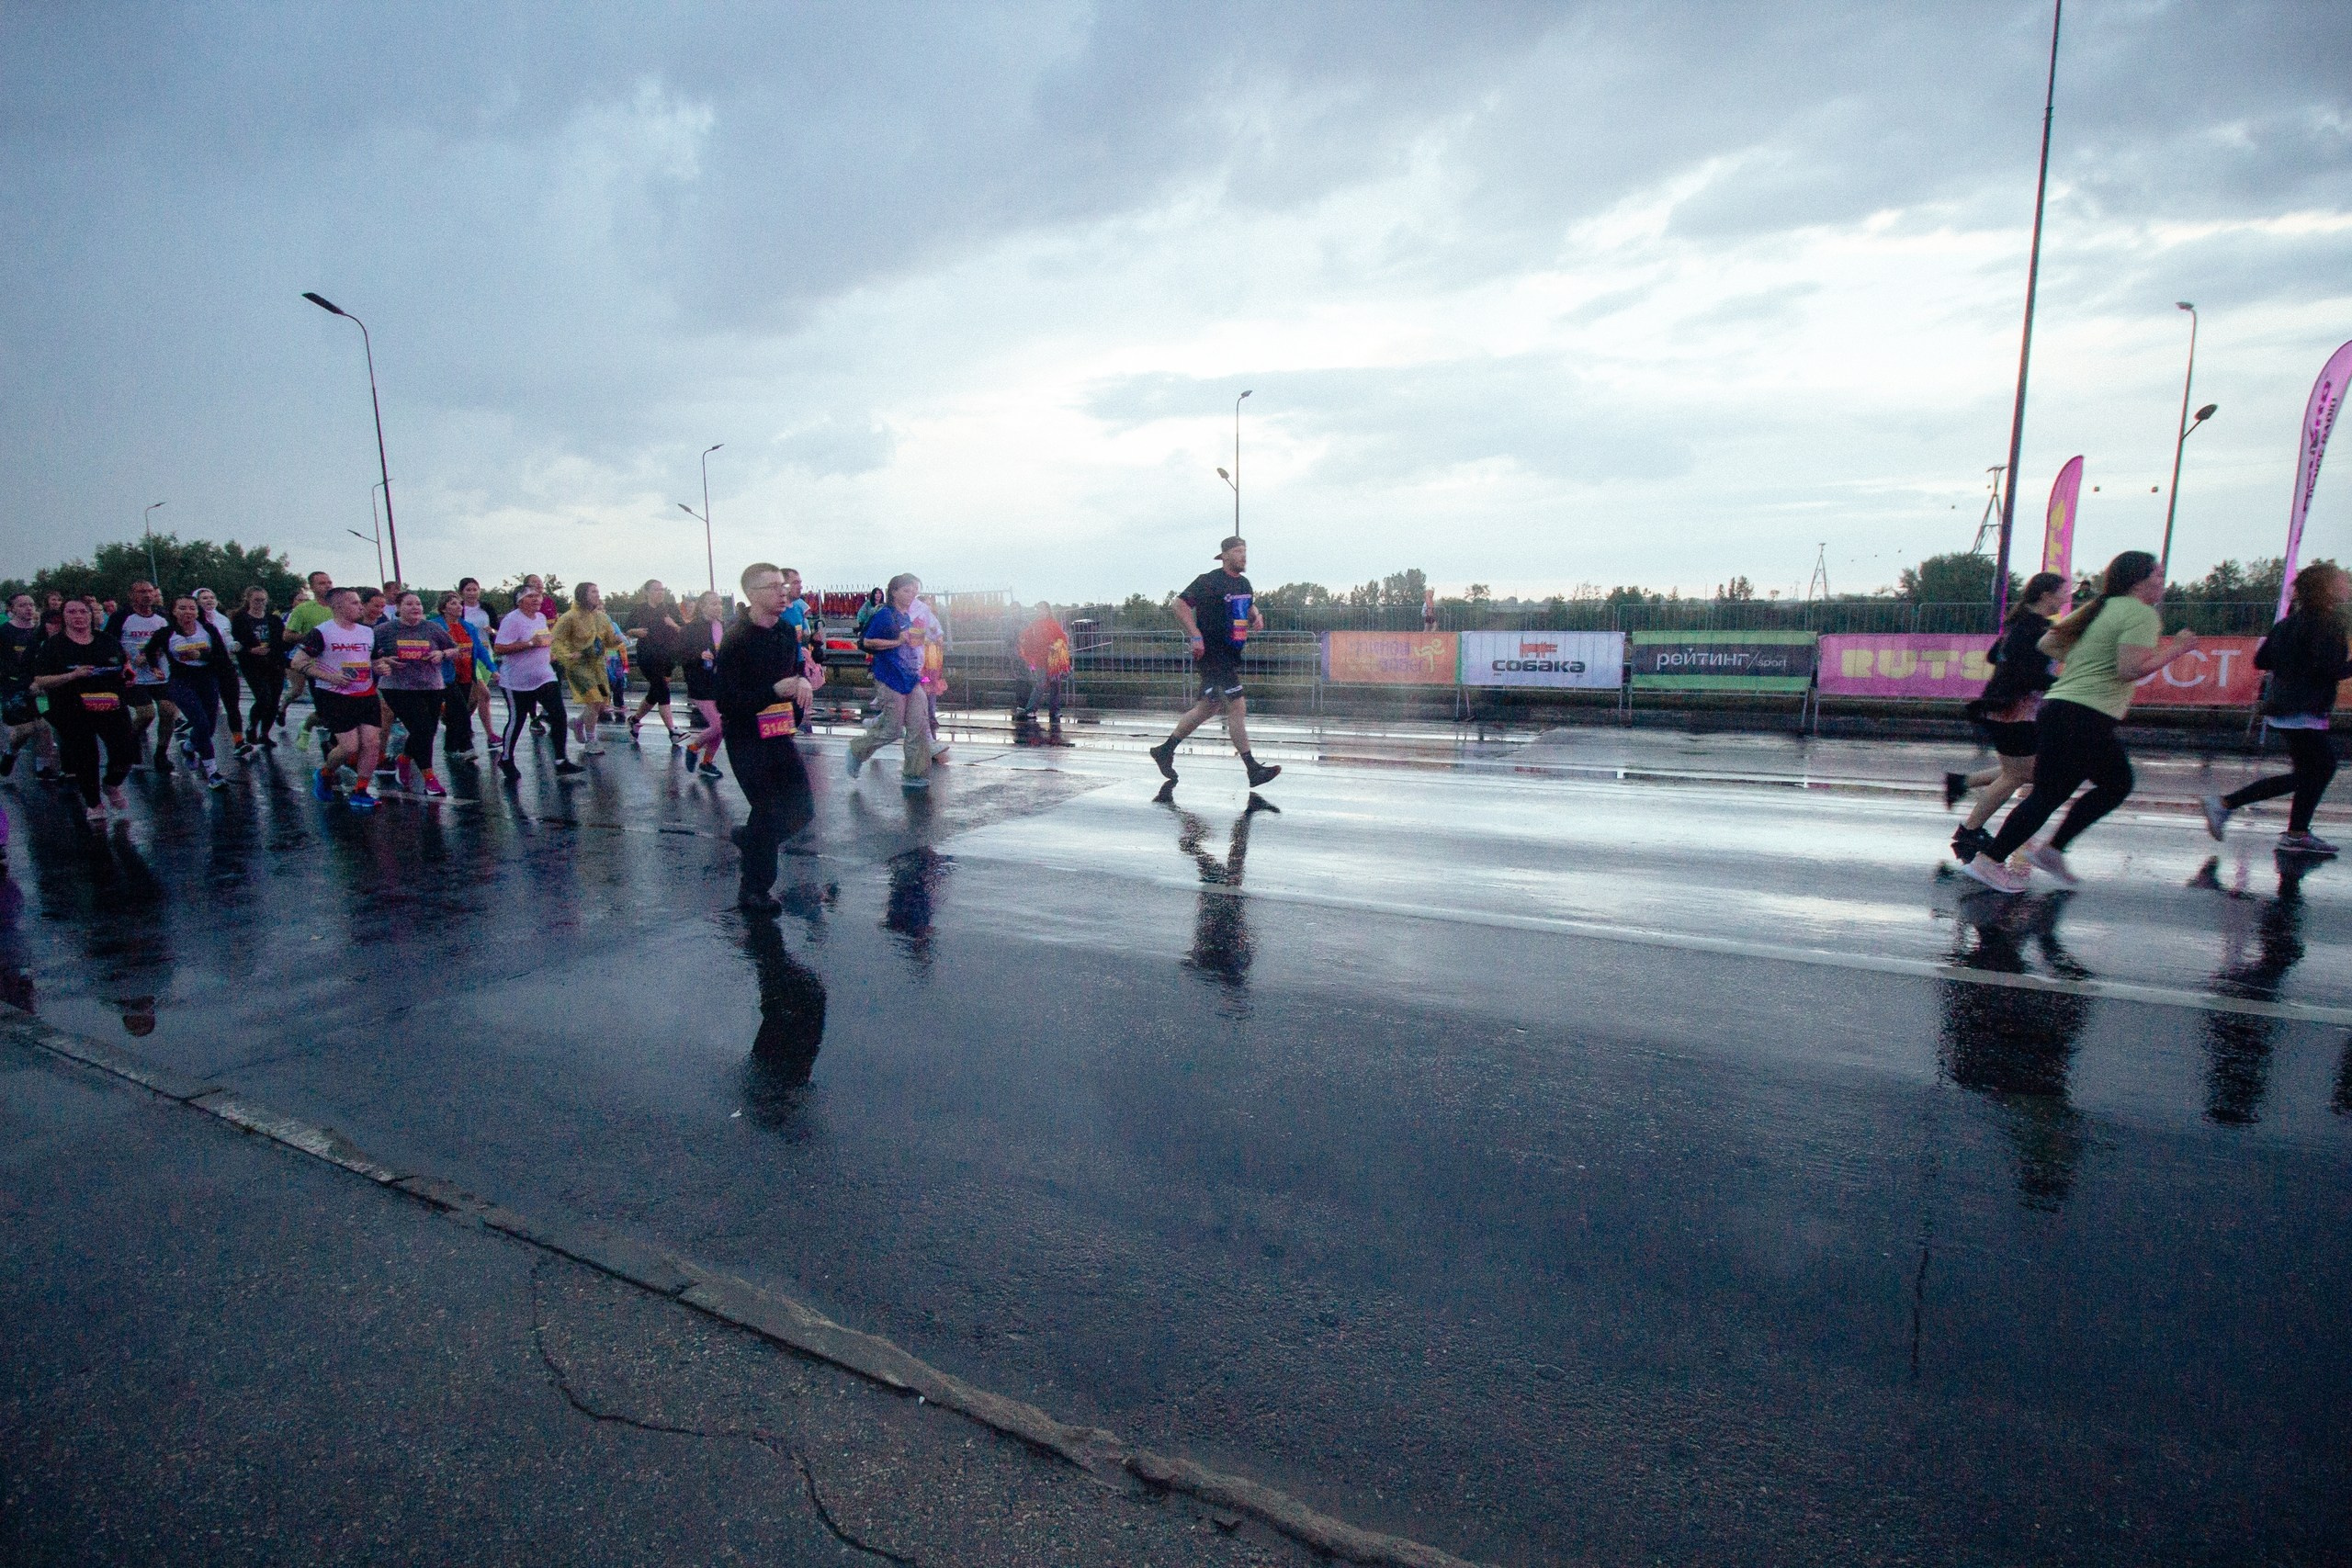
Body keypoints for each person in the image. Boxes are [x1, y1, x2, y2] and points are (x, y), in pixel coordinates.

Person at [1965, 550, 2200, 893]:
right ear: (2138, 581)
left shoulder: (2099, 607)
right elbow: (2129, 669)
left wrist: (2086, 659)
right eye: (2158, 576)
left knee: (2054, 792)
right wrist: (2177, 649)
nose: (2163, 583)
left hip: (2061, 708)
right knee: (2113, 785)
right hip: (2084, 714)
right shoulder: (2141, 614)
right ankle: (2010, 857)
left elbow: (2047, 643)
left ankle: (2033, 853)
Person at [2203, 561, 2352, 856]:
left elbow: (2262, 660)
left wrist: (2293, 663)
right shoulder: (2328, 624)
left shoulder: (2288, 623)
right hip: (2305, 709)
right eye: (2342, 581)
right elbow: (2330, 670)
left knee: (2310, 771)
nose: (2347, 585)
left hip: (2283, 707)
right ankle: (2225, 804)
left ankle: (2296, 834)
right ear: (2327, 589)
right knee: (2318, 771)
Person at [718, 562, 818, 913]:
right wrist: (773, 690)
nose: (783, 593)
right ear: (751, 594)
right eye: (774, 587)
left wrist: (803, 683)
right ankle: (754, 890)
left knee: (802, 810)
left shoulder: (786, 631)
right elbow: (727, 701)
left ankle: (750, 838)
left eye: (784, 586)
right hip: (746, 738)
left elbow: (794, 673)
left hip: (778, 732)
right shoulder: (736, 639)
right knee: (768, 810)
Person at [1948, 571, 2069, 863]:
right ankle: (1969, 830)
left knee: (2019, 772)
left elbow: (1994, 656)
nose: (2068, 597)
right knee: (2020, 774)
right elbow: (2023, 671)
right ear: (2046, 595)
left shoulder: (2024, 624)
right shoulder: (2032, 627)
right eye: (2064, 592)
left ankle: (1966, 806)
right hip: (2013, 712)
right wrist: (2061, 685)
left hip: (2013, 710)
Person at [1148, 536, 1281, 790]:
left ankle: (1165, 750)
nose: (1244, 556)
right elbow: (1179, 604)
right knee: (1237, 707)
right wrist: (1195, 634)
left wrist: (1256, 615)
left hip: (1230, 655)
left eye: (1245, 551)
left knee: (1207, 708)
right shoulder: (1209, 581)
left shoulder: (1244, 583)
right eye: (1239, 552)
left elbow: (1248, 604)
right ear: (1225, 555)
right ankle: (1253, 769)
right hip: (1213, 654)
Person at [29, 598, 135, 824]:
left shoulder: (107, 640)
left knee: (126, 751)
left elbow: (123, 663)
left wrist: (127, 673)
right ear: (63, 616)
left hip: (110, 703)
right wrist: (72, 675)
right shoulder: (53, 646)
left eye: (83, 611)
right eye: (72, 612)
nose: (78, 616)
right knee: (85, 756)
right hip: (71, 707)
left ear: (91, 615)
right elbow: (41, 680)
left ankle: (112, 784)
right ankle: (93, 803)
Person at [289, 587, 387, 811]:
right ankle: (325, 773)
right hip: (335, 695)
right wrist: (330, 677)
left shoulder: (367, 632)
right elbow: (297, 662)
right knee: (350, 747)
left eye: (360, 602)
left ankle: (360, 791)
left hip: (366, 693)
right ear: (338, 606)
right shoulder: (322, 632)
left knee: (372, 743)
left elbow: (372, 661)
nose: (360, 607)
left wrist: (380, 667)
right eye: (354, 603)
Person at [138, 594, 235, 790]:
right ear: (174, 611)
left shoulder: (208, 630)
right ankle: (213, 773)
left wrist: (202, 655)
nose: (187, 612)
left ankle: (189, 746)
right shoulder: (166, 633)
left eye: (192, 608)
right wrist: (155, 667)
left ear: (198, 612)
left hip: (207, 680)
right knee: (200, 722)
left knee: (209, 727)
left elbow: (222, 658)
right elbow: (149, 650)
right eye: (182, 608)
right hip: (181, 681)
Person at [846, 574, 933, 787]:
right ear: (894, 592)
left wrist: (917, 642)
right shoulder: (885, 614)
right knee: (893, 730)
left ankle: (914, 774)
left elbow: (909, 643)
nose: (912, 594)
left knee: (918, 725)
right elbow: (867, 641)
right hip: (889, 677)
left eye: (915, 591)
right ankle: (857, 750)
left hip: (911, 677)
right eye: (907, 590)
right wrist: (898, 641)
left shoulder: (906, 616)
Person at [373, 591, 460, 796]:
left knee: (428, 730)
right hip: (397, 687)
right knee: (421, 728)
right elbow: (368, 656)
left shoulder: (432, 627)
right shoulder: (384, 630)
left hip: (431, 686)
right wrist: (385, 661)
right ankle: (429, 777)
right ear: (398, 608)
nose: (415, 608)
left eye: (418, 604)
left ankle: (404, 759)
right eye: (409, 604)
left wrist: (441, 654)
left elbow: (455, 649)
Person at [493, 583, 581, 780]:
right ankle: (506, 759)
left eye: (538, 596)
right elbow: (499, 648)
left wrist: (553, 654)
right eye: (530, 596)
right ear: (519, 601)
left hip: (544, 676)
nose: (536, 599)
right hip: (517, 680)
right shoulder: (512, 619)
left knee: (559, 715)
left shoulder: (540, 618)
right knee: (517, 720)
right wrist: (531, 643)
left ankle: (561, 760)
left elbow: (544, 642)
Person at [105, 581, 177, 774]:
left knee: (169, 711)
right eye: (142, 592)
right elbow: (108, 644)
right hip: (133, 675)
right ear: (132, 595)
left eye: (150, 591)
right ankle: (130, 740)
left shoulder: (162, 616)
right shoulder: (121, 617)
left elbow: (173, 639)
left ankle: (161, 754)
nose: (147, 595)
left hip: (159, 672)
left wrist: (158, 651)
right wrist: (125, 658)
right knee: (146, 713)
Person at [552, 581, 627, 757]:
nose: (597, 595)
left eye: (598, 591)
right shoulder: (570, 617)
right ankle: (591, 740)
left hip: (598, 666)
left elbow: (609, 641)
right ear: (582, 595)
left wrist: (619, 639)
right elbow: (556, 640)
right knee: (594, 699)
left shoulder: (602, 617)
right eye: (593, 592)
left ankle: (578, 723)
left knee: (602, 702)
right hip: (579, 666)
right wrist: (567, 655)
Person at [2, 592, 59, 780]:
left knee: (44, 726)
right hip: (14, 685)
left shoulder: (40, 631)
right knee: (26, 730)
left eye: (31, 605)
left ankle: (43, 767)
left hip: (40, 685)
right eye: (22, 605)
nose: (28, 608)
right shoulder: (4, 631)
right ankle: (11, 752)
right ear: (12, 609)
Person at [430, 591, 492, 760]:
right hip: (445, 676)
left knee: (455, 712)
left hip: (465, 673)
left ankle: (450, 746)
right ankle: (466, 746)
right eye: (453, 603)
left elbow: (478, 648)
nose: (459, 606)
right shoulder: (435, 626)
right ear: (443, 608)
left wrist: (492, 668)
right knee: (461, 711)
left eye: (459, 603)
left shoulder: (467, 626)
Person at [625, 579, 684, 748]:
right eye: (656, 590)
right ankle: (673, 731)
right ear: (647, 592)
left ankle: (635, 720)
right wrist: (635, 631)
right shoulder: (639, 609)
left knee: (656, 692)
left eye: (662, 589)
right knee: (662, 690)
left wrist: (672, 624)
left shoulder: (670, 609)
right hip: (647, 656)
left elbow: (683, 630)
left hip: (667, 657)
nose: (660, 592)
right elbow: (626, 629)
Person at [229, 585, 288, 750]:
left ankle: (265, 734)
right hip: (252, 664)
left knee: (274, 701)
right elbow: (234, 643)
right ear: (248, 600)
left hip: (274, 663)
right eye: (256, 600)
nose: (260, 604)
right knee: (263, 697)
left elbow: (282, 641)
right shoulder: (240, 619)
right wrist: (250, 650)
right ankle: (252, 726)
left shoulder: (273, 620)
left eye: (263, 600)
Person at [193, 587, 247, 757]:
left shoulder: (222, 619)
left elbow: (228, 639)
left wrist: (233, 645)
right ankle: (196, 742)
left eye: (212, 597)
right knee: (209, 710)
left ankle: (239, 741)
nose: (209, 600)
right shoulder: (193, 622)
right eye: (204, 598)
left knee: (232, 706)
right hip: (204, 667)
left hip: (225, 666)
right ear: (196, 602)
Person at [680, 591, 728, 780]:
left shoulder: (723, 626)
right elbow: (680, 655)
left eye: (719, 603)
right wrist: (698, 656)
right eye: (713, 604)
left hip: (719, 682)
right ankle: (694, 747)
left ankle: (707, 762)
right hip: (700, 682)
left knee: (722, 725)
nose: (718, 607)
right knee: (719, 725)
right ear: (703, 606)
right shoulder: (691, 629)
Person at [283, 570, 336, 741]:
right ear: (312, 587)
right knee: (324, 710)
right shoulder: (303, 609)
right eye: (322, 583)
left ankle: (336, 743)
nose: (327, 586)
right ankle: (310, 728)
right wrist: (313, 638)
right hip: (315, 666)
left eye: (329, 582)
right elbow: (287, 635)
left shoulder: (339, 607)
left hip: (340, 664)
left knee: (340, 708)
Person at [1013, 601, 1073, 740]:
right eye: (1039, 609)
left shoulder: (1052, 624)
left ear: (1047, 611)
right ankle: (1030, 709)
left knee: (1055, 684)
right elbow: (1026, 638)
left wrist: (1055, 646)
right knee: (1040, 684)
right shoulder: (1034, 625)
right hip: (1040, 659)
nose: (1040, 612)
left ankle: (1054, 711)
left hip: (1053, 660)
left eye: (1042, 609)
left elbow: (1062, 638)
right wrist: (1026, 648)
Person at [456, 577, 499, 755]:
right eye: (468, 590)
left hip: (485, 654)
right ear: (461, 593)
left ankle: (457, 724)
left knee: (473, 699)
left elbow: (498, 631)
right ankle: (491, 736)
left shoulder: (486, 608)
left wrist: (492, 631)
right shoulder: (459, 609)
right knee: (485, 695)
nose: (472, 593)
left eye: (475, 589)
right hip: (468, 657)